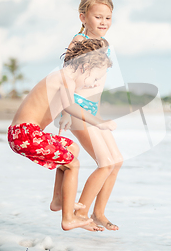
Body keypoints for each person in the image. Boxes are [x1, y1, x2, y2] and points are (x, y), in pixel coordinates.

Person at [8, 39, 115, 231]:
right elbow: (70, 105)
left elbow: (63, 105)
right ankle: (68, 219)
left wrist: (66, 116)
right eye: (95, 79)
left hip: (25, 134)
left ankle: (58, 199)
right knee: (73, 164)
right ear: (85, 67)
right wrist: (100, 123)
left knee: (71, 148)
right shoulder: (65, 77)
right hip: (25, 134)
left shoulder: (65, 78)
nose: (94, 84)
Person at [59, 0, 123, 232]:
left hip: (91, 110)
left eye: (108, 18)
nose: (104, 22)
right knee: (105, 162)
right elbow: (67, 78)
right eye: (98, 17)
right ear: (83, 17)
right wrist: (67, 111)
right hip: (77, 111)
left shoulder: (104, 45)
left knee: (116, 161)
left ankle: (99, 212)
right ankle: (81, 211)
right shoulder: (78, 41)